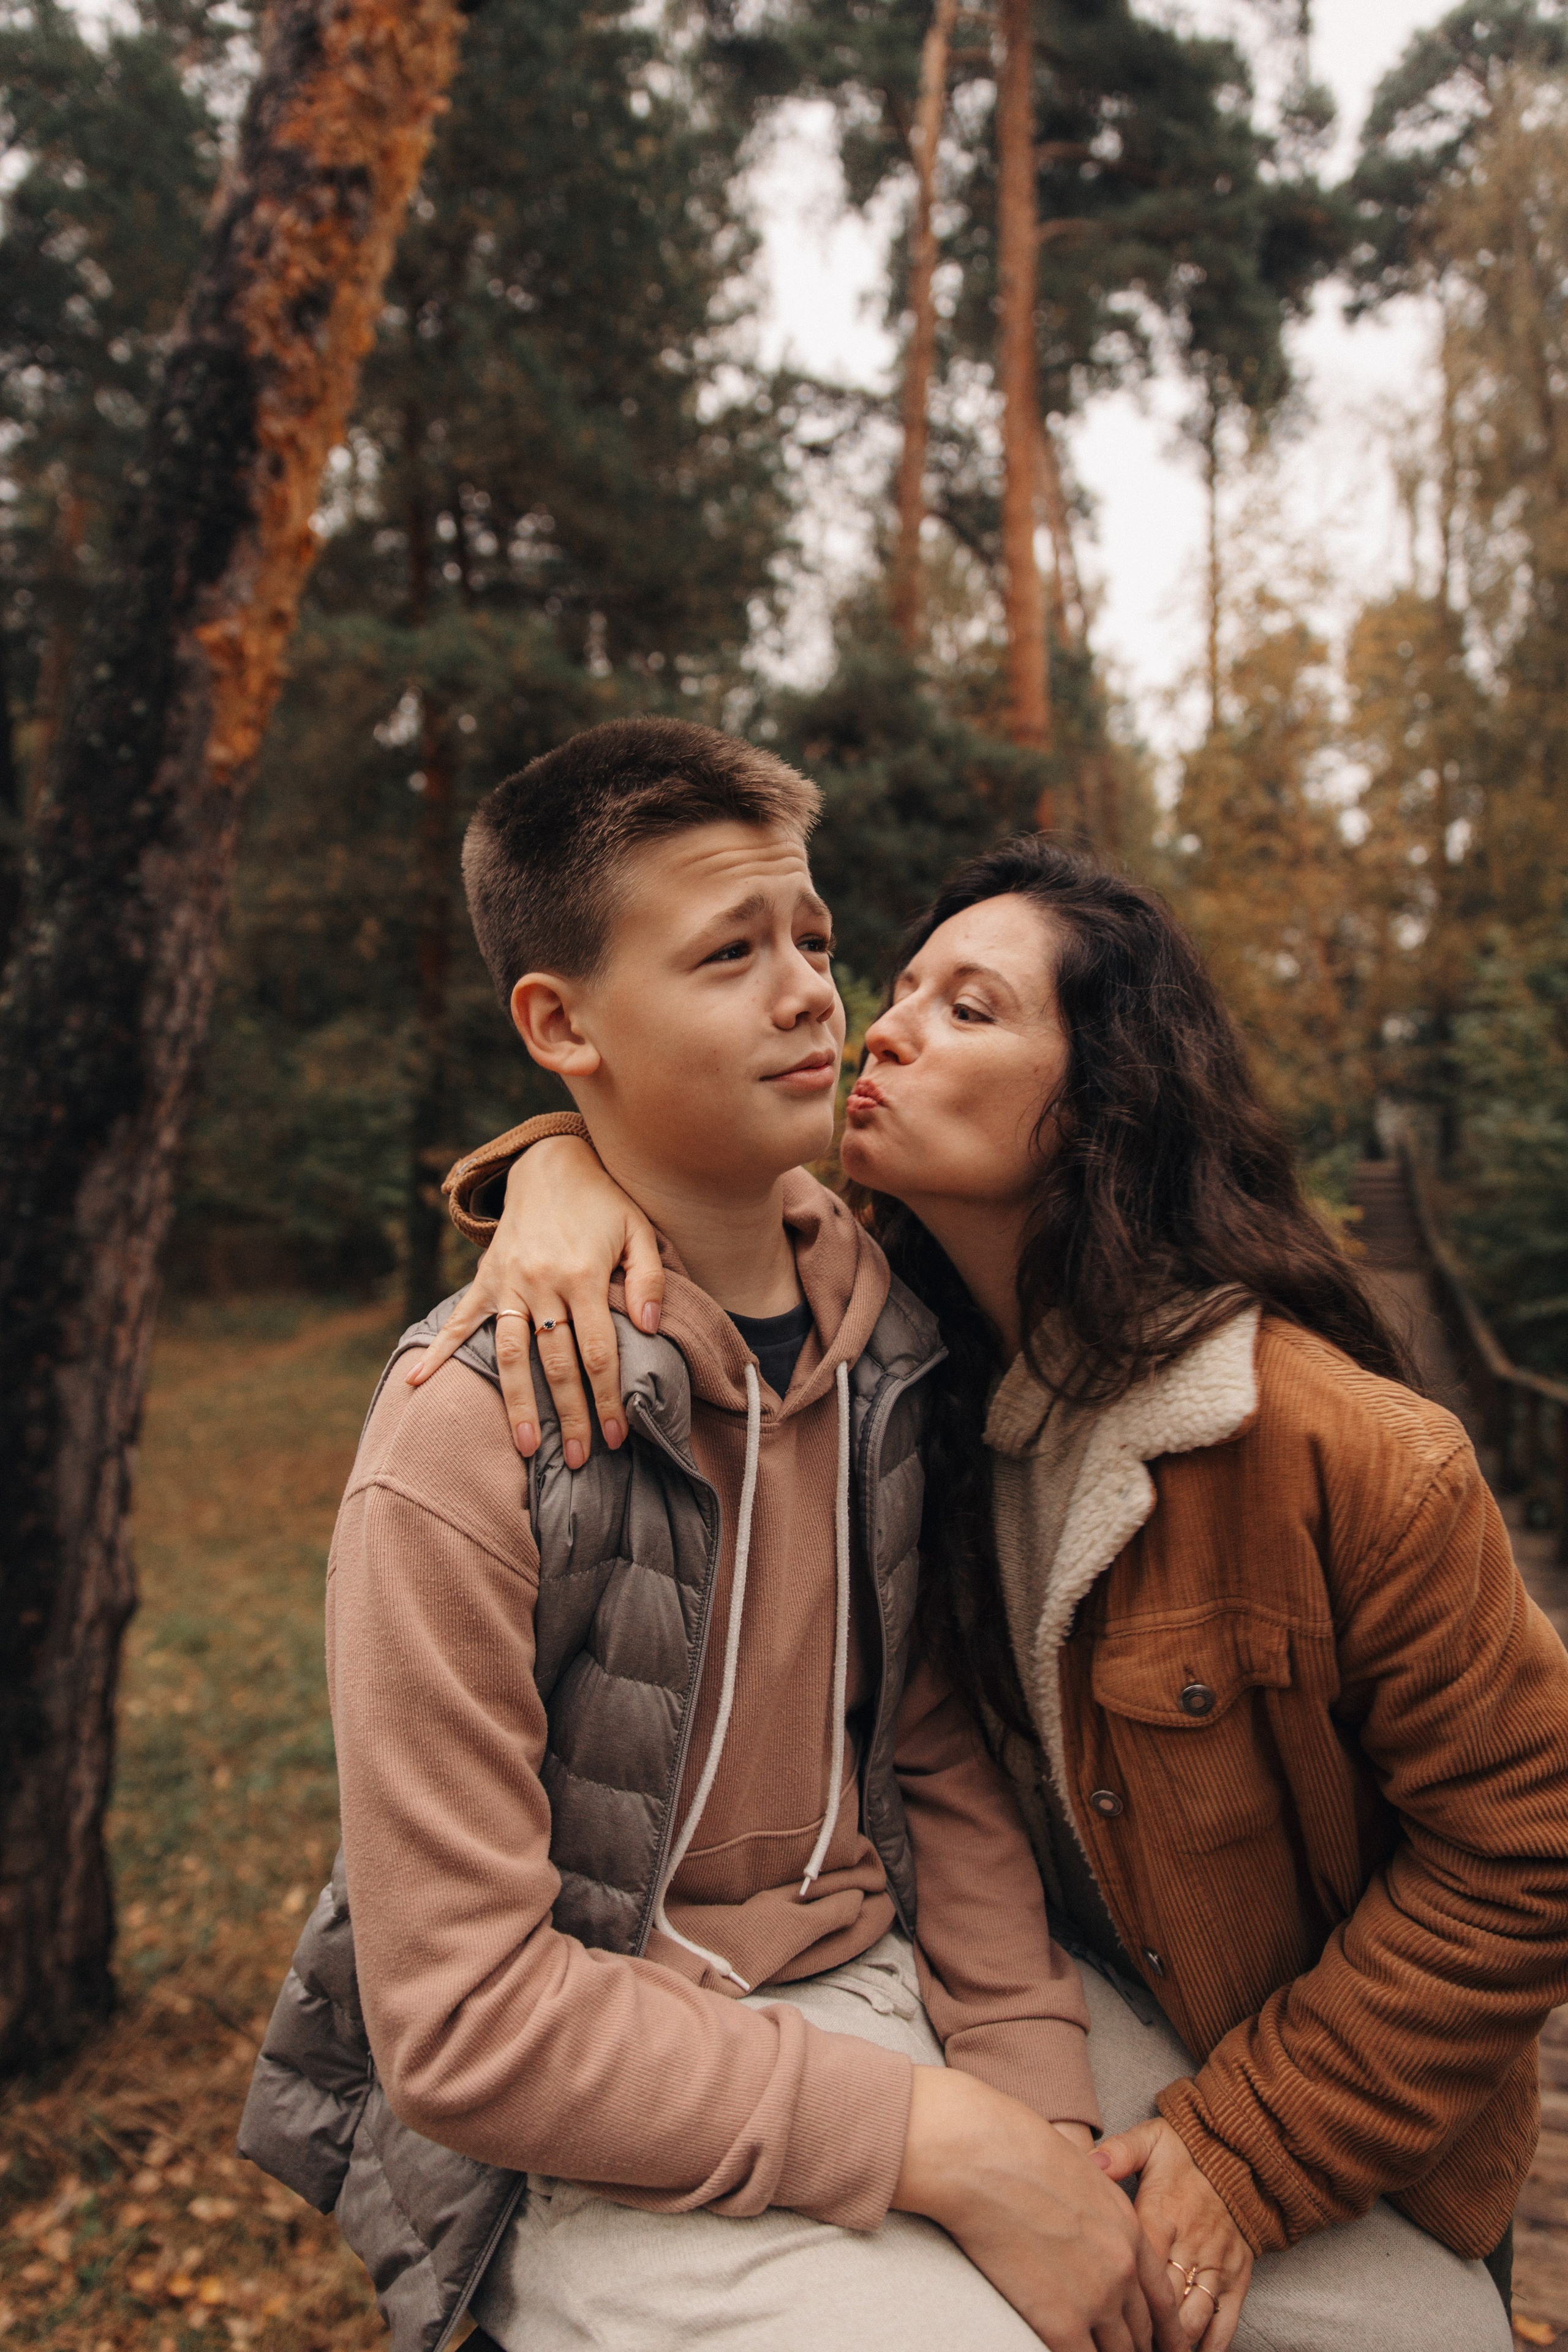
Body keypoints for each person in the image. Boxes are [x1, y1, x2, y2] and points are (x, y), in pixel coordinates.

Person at [423, 827, 1568, 2352]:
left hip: (1329, 2105)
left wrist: (1250, 2147)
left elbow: (1530, 1847)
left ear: (1102, 1104)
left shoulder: (1341, 1452)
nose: (874, 1028)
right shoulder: (907, 1373)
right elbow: (678, 1146)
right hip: (1007, 2022)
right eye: (893, 988)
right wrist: (548, 1169)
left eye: (967, 1009)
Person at [240, 722, 1193, 2352]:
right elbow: (465, 2021)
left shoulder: (893, 1334)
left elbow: (935, 1754)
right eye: (729, 951)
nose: (815, 991)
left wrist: (1027, 2099)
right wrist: (933, 2146)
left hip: (914, 1979)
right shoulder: (468, 1438)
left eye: (814, 938)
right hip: (615, 2102)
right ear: (559, 1022)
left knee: (1389, 2304)